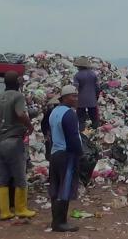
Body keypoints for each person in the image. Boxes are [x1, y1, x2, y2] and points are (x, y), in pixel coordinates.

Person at [0, 71, 36, 220]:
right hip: (14, 141)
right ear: (18, 82)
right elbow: (20, 113)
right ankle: (21, 209)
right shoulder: (18, 96)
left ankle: (4, 212)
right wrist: (29, 127)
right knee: (19, 176)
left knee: (3, 177)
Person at [48, 85, 83, 232]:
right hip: (66, 155)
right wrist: (80, 153)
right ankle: (60, 222)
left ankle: (56, 220)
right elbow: (73, 137)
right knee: (65, 187)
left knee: (56, 187)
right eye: (72, 96)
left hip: (55, 153)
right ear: (64, 98)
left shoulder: (54, 111)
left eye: (76, 96)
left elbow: (48, 130)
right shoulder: (69, 114)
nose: (75, 99)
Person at [73, 57, 100, 130]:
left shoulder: (77, 75)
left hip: (80, 101)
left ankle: (82, 133)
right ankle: (95, 132)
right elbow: (97, 88)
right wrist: (96, 97)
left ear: (79, 66)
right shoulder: (93, 74)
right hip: (92, 100)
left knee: (81, 119)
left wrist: (74, 100)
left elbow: (75, 89)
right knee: (94, 118)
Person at [41, 96, 61, 161]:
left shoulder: (51, 110)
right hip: (52, 131)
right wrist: (46, 133)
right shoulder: (52, 111)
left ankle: (51, 158)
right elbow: (44, 122)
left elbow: (43, 122)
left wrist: (45, 133)